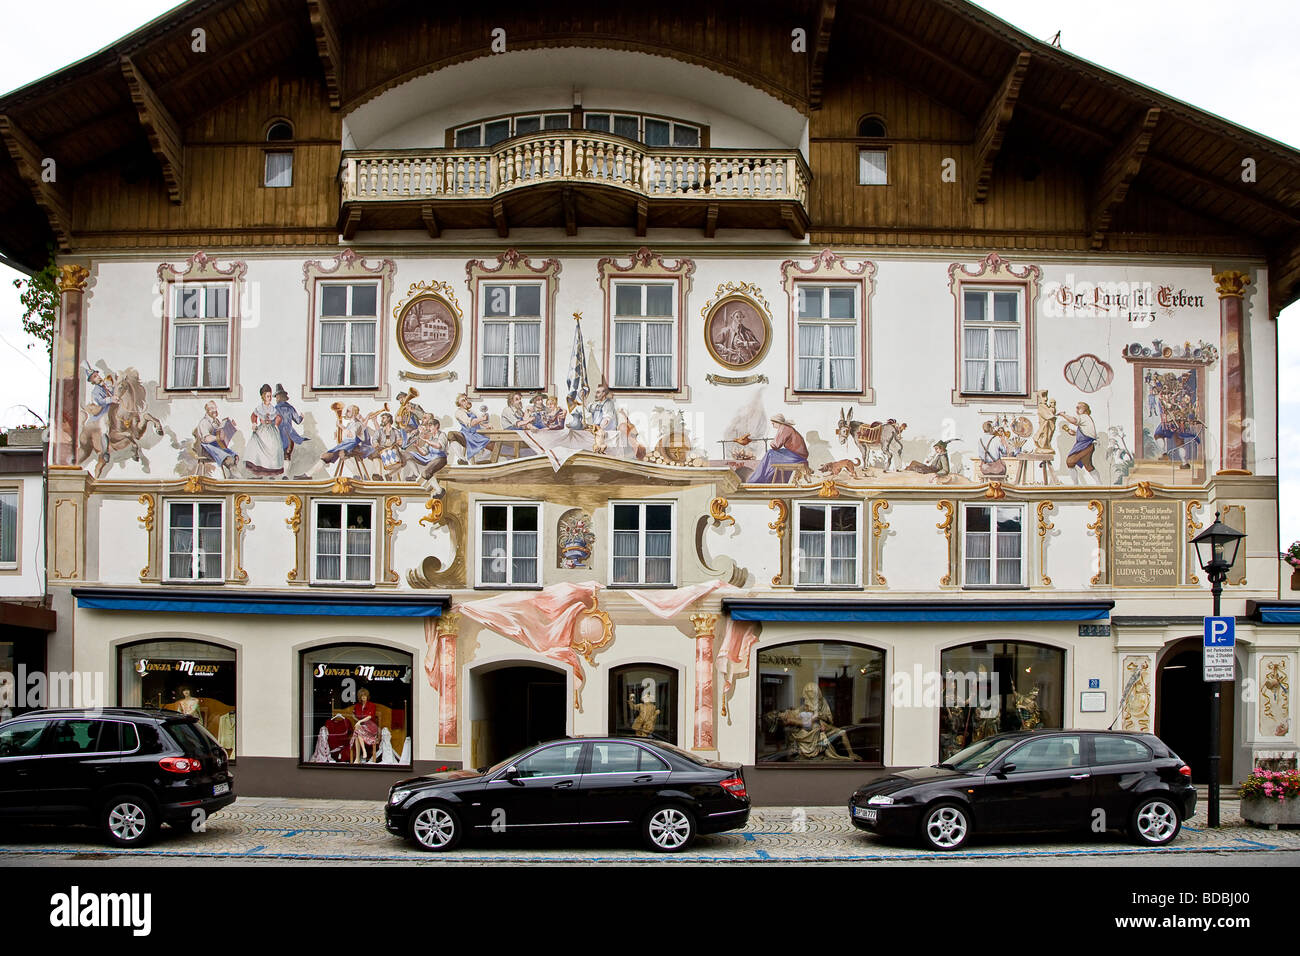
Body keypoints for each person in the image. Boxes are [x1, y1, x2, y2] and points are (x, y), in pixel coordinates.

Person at [751, 414, 809, 483]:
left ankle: (758, 480)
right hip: (797, 455)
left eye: (773, 424)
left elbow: (775, 445)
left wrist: (772, 442)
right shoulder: (787, 428)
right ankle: (764, 479)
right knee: (772, 455)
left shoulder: (784, 428)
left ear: (777, 422)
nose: (773, 426)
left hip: (796, 456)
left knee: (770, 453)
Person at [245, 384, 285, 476]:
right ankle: (259, 471)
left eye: (270, 396)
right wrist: (254, 423)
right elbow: (253, 415)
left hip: (271, 430)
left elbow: (278, 417)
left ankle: (271, 472)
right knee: (258, 448)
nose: (270, 398)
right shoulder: (259, 407)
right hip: (262, 430)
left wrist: (276, 424)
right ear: (263, 396)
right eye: (268, 396)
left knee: (274, 448)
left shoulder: (272, 408)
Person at [1059, 401, 1100, 484]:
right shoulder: (1087, 418)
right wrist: (1073, 432)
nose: (1077, 409)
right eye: (1076, 408)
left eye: (1079, 408)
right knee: (1088, 466)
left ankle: (1075, 484)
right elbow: (1084, 432)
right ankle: (1100, 483)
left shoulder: (1084, 417)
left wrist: (1063, 414)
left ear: (1085, 409)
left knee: (1070, 461)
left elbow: (1073, 421)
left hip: (1085, 445)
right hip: (1087, 445)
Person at [194, 400, 237, 477]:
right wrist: (217, 437)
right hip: (206, 449)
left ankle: (233, 476)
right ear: (207, 410)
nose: (214, 410)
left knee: (235, 456)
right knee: (228, 459)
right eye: (211, 408)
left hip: (216, 446)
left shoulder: (216, 421)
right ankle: (235, 476)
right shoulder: (204, 422)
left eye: (215, 408)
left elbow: (221, 432)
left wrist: (230, 425)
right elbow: (206, 439)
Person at [453, 393, 491, 463]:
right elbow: (470, 423)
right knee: (487, 444)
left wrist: (486, 426)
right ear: (459, 404)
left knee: (490, 445)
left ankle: (480, 460)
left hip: (476, 433)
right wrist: (482, 419)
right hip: (468, 434)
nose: (466, 401)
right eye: (463, 400)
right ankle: (470, 460)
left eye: (466, 399)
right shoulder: (459, 412)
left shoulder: (471, 411)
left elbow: (479, 421)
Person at [273, 385, 306, 459]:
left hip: (279, 435)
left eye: (277, 397)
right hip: (290, 435)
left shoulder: (275, 409)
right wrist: (302, 417)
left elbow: (272, 422)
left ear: (280, 397)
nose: (276, 399)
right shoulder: (290, 408)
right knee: (287, 456)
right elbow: (298, 421)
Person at [350, 687, 380, 763]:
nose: (363, 697)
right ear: (359, 697)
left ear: (367, 696)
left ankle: (362, 752)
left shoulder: (372, 705)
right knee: (357, 732)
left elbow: (370, 716)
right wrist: (358, 721)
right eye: (362, 695)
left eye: (365, 695)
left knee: (357, 729)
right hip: (362, 728)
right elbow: (353, 715)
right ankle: (358, 758)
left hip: (371, 727)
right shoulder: (357, 706)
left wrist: (359, 722)